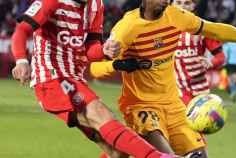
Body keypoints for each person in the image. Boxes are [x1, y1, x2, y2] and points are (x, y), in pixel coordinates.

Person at [91, 0, 236, 157]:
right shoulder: (127, 27)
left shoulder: (176, 16)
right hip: (141, 106)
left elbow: (215, 30)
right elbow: (94, 68)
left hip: (174, 106)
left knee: (201, 154)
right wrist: (118, 65)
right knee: (164, 155)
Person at [10, 0, 181, 158]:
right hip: (52, 78)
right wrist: (21, 60)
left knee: (117, 152)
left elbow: (91, 50)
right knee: (101, 114)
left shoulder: (96, 5)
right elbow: (21, 30)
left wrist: (105, 51)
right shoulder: (52, 2)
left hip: (75, 79)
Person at [172, 0, 225, 105]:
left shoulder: (203, 28)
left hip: (199, 92)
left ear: (193, 6)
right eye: (178, 3)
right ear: (171, 5)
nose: (182, 6)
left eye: (187, 3)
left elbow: (221, 57)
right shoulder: (160, 28)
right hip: (174, 91)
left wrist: (211, 62)